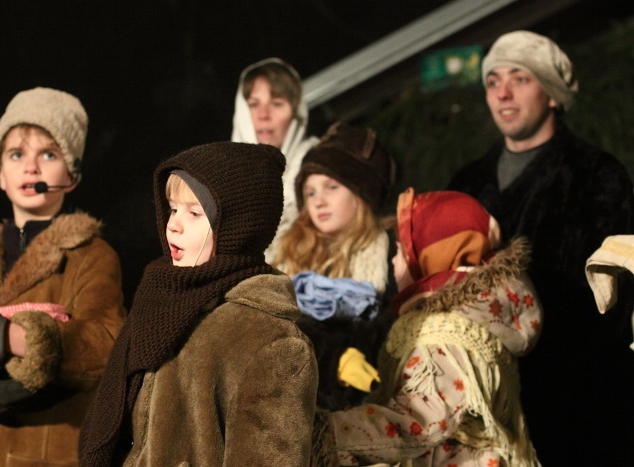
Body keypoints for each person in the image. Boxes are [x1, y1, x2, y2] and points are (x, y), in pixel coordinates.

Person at [448, 30, 634, 464]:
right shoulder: (466, 183)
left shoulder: (597, 174)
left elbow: (612, 299)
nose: (503, 93)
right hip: (486, 402)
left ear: (551, 93)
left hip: (580, 402)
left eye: (520, 78)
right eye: (493, 81)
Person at [79, 141, 318, 466]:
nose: (173, 224)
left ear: (237, 228)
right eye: (173, 208)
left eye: (194, 213)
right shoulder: (159, 299)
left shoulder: (270, 341)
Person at [0, 87, 126, 465]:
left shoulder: (90, 256)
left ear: (72, 175)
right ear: (0, 173)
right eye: (16, 154)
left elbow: (105, 346)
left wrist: (15, 337)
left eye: (49, 154)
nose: (31, 167)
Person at [313, 188, 542, 466]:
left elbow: (422, 418)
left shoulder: (447, 335)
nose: (394, 260)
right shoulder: (475, 317)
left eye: (401, 250)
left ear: (431, 256)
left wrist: (328, 433)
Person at [272, 122, 397, 411]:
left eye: (331, 187)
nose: (319, 202)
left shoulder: (389, 250)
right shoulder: (288, 255)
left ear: (361, 192)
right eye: (310, 192)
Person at [231, 57, 319, 262]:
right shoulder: (221, 178)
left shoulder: (320, 168)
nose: (263, 114)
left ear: (296, 113)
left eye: (277, 103)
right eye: (253, 104)